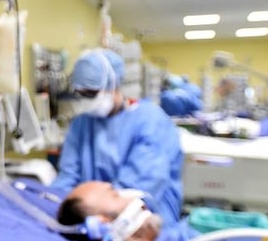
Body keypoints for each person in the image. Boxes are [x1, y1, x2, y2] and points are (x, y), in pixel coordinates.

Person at [50, 49, 183, 222]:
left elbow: (139, 188)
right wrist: (56, 203)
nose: (86, 100)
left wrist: (98, 213)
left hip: (144, 217)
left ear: (113, 85)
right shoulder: (81, 123)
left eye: (91, 93)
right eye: (81, 94)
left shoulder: (150, 120)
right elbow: (68, 177)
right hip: (89, 215)